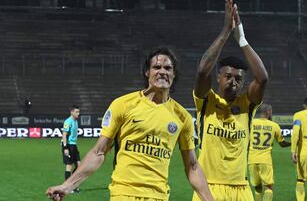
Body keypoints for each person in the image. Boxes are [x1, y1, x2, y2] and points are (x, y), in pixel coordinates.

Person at [46, 46, 214, 201]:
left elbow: (192, 166)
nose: (162, 72)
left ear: (174, 74)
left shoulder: (182, 116)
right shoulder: (123, 104)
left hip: (159, 196)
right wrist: (67, 186)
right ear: (147, 72)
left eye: (168, 68)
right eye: (157, 67)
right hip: (124, 194)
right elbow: (99, 152)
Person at [192, 0, 268, 200]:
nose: (233, 82)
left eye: (238, 79)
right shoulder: (206, 100)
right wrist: (226, 31)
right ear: (218, 77)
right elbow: (202, 71)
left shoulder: (247, 104)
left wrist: (241, 38)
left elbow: (263, 78)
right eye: (228, 76)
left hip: (241, 189)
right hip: (208, 188)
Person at [248, 103, 291, 201]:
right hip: (265, 160)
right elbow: (282, 143)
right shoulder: (274, 125)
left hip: (252, 159)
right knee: (269, 187)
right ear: (268, 112)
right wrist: (293, 143)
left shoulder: (251, 123)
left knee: (257, 187)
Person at [61, 105, 81, 193]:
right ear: (72, 112)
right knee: (69, 165)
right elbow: (64, 134)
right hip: (68, 145)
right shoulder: (68, 121)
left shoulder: (75, 121)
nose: (78, 114)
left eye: (79, 112)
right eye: (76, 112)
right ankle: (67, 187)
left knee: (79, 166)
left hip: (74, 145)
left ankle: (73, 185)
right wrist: (65, 147)